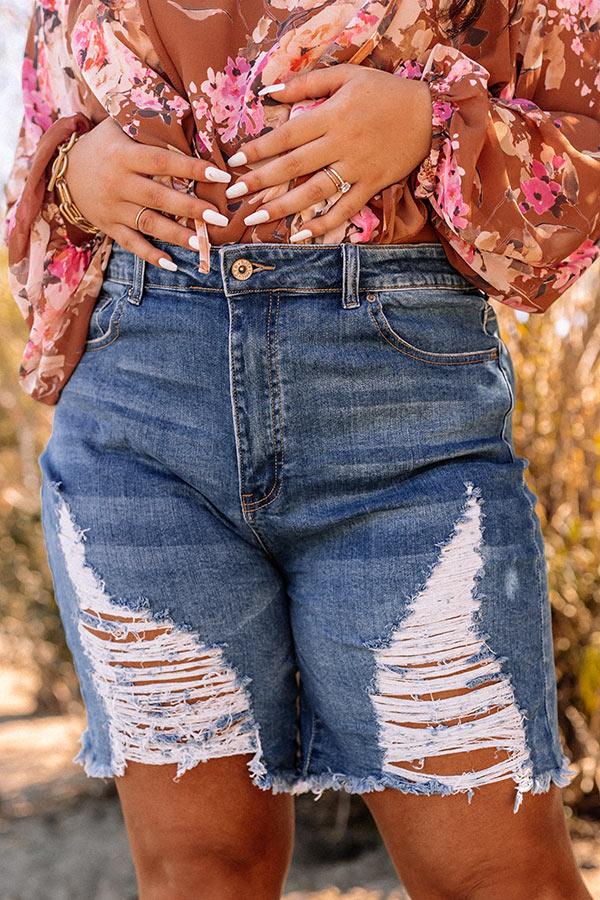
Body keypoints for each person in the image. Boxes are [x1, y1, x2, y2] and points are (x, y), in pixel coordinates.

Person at [3, 0, 599, 897]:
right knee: (200, 877)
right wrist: (72, 180)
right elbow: (45, 144)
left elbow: (580, 133)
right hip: (138, 408)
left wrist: (428, 124)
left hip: (400, 407)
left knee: (498, 879)